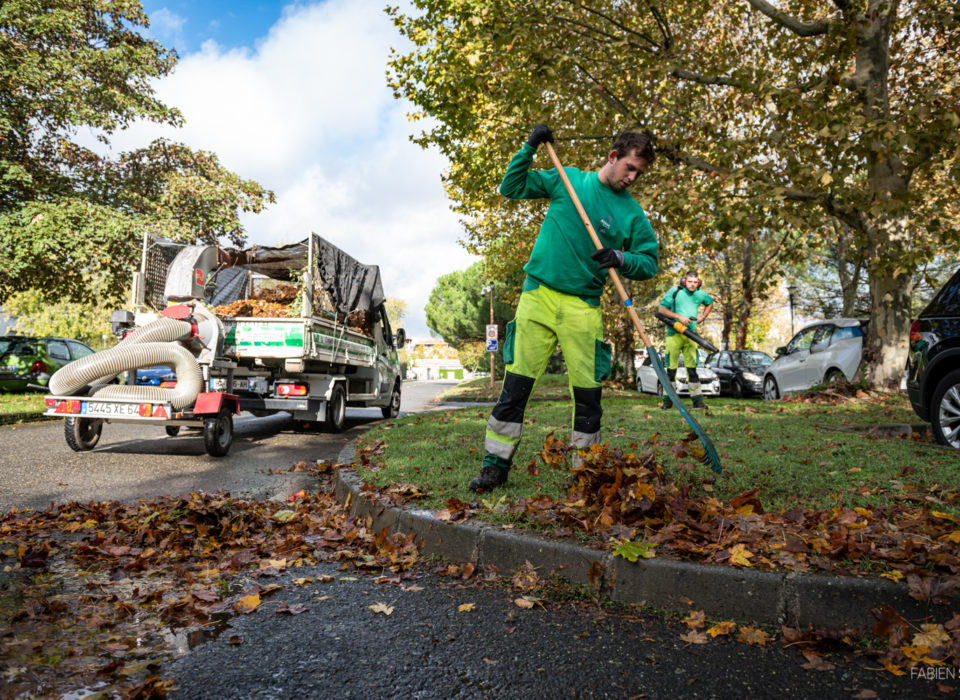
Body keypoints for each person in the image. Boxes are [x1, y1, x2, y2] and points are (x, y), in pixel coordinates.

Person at [469, 125, 659, 493]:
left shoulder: (632, 214)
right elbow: (511, 187)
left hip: (583, 307)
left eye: (639, 173)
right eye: (630, 168)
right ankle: (494, 467)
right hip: (537, 296)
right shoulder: (567, 181)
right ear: (613, 157)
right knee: (515, 388)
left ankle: (585, 474)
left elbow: (649, 262)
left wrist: (621, 257)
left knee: (588, 397)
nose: (632, 178)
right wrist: (529, 147)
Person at [657, 271, 713, 410]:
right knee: (671, 370)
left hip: (691, 336)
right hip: (673, 335)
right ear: (684, 281)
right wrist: (678, 317)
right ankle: (667, 401)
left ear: (698, 282)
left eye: (695, 282)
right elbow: (661, 310)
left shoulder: (700, 294)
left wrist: (703, 317)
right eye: (690, 282)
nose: (693, 285)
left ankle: (698, 402)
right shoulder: (675, 292)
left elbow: (710, 303)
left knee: (692, 370)